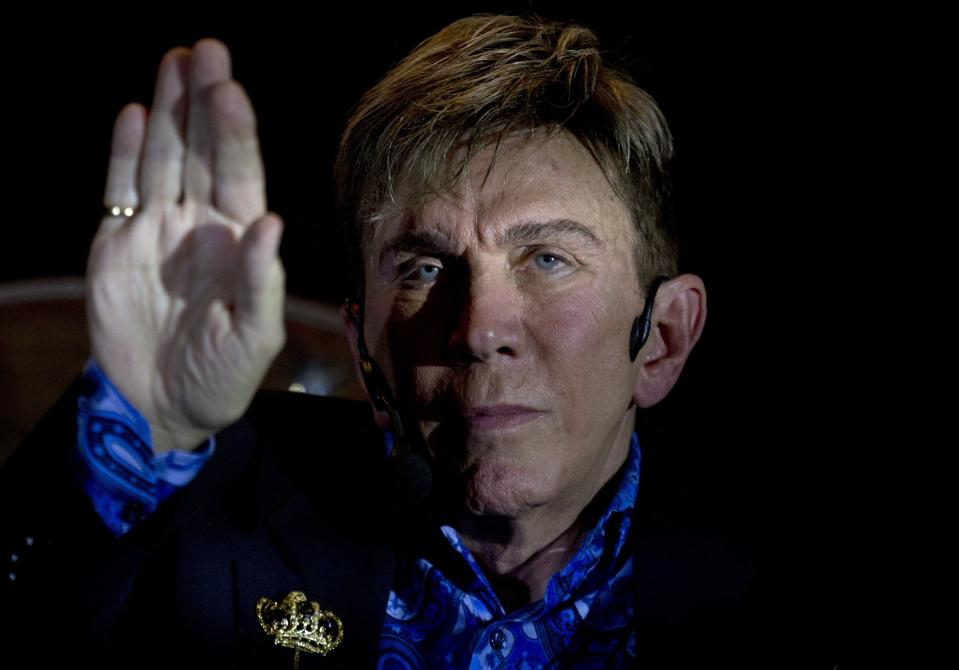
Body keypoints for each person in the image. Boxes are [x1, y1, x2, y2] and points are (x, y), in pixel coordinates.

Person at [0, 14, 845, 668]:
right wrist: (139, 421)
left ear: (660, 339)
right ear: (362, 347)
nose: (477, 330)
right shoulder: (206, 497)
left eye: (547, 259)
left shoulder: (802, 573)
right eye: (423, 269)